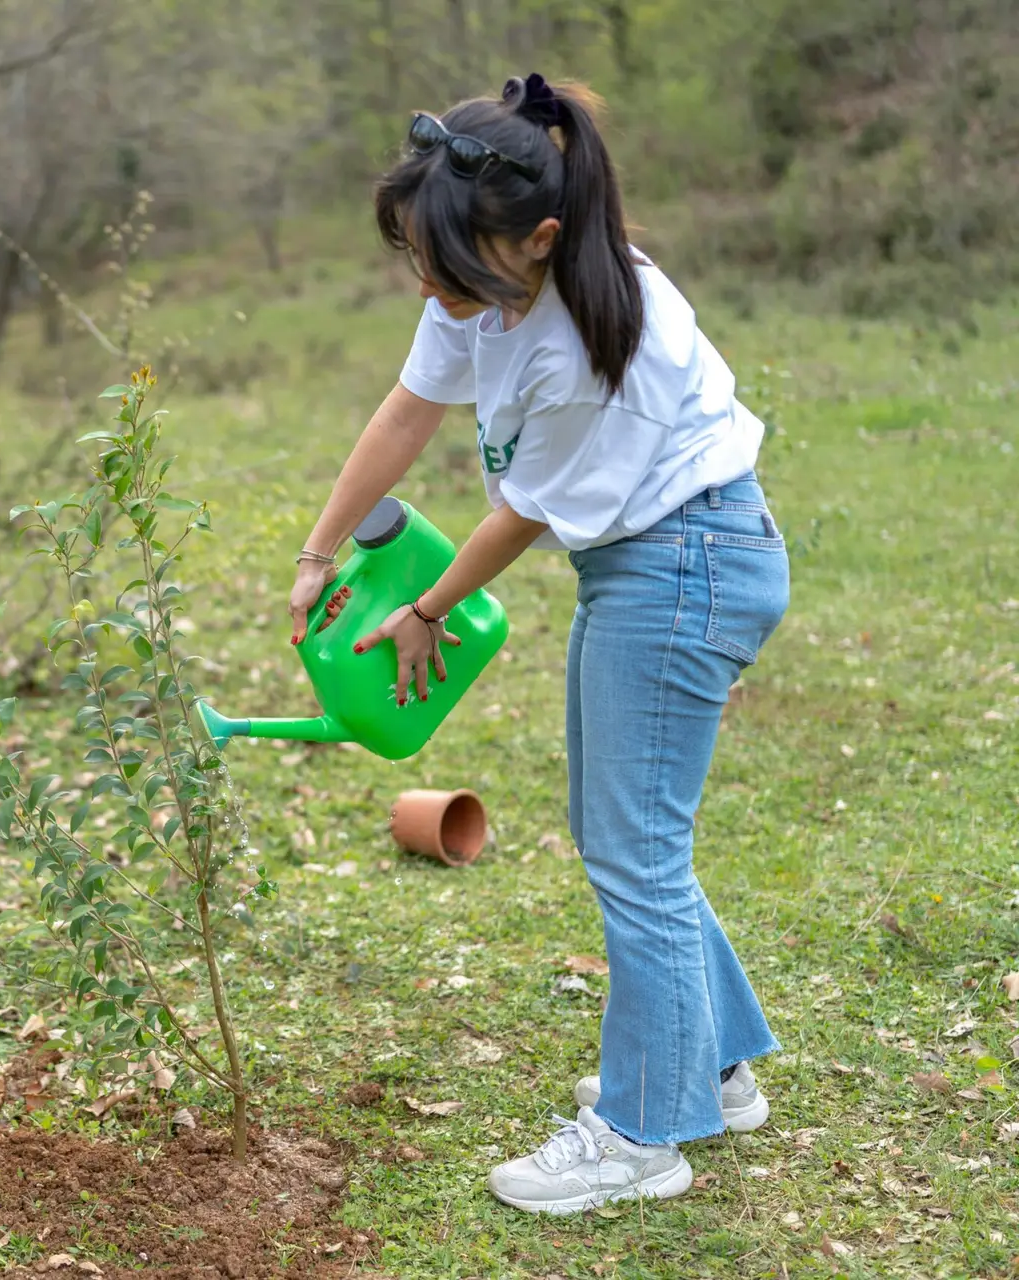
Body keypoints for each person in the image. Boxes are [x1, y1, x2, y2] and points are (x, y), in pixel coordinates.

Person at [288, 73, 789, 1214]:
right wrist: (320, 549)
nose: (428, 287)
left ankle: (642, 1131)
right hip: (653, 560)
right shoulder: (481, 268)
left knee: (633, 846)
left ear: (541, 237)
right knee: (625, 830)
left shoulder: (608, 339)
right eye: (418, 261)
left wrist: (422, 613)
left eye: (445, 271)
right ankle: (710, 1063)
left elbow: (526, 511)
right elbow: (408, 409)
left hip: (688, 564)